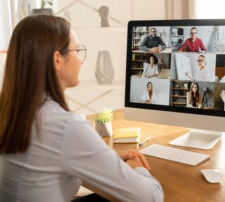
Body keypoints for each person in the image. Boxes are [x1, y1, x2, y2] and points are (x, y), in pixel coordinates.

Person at [0, 15, 164, 202]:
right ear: (57, 59)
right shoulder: (64, 126)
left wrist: (107, 161)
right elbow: (150, 198)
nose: (81, 60)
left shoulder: (12, 111)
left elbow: (51, 162)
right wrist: (138, 168)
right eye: (77, 50)